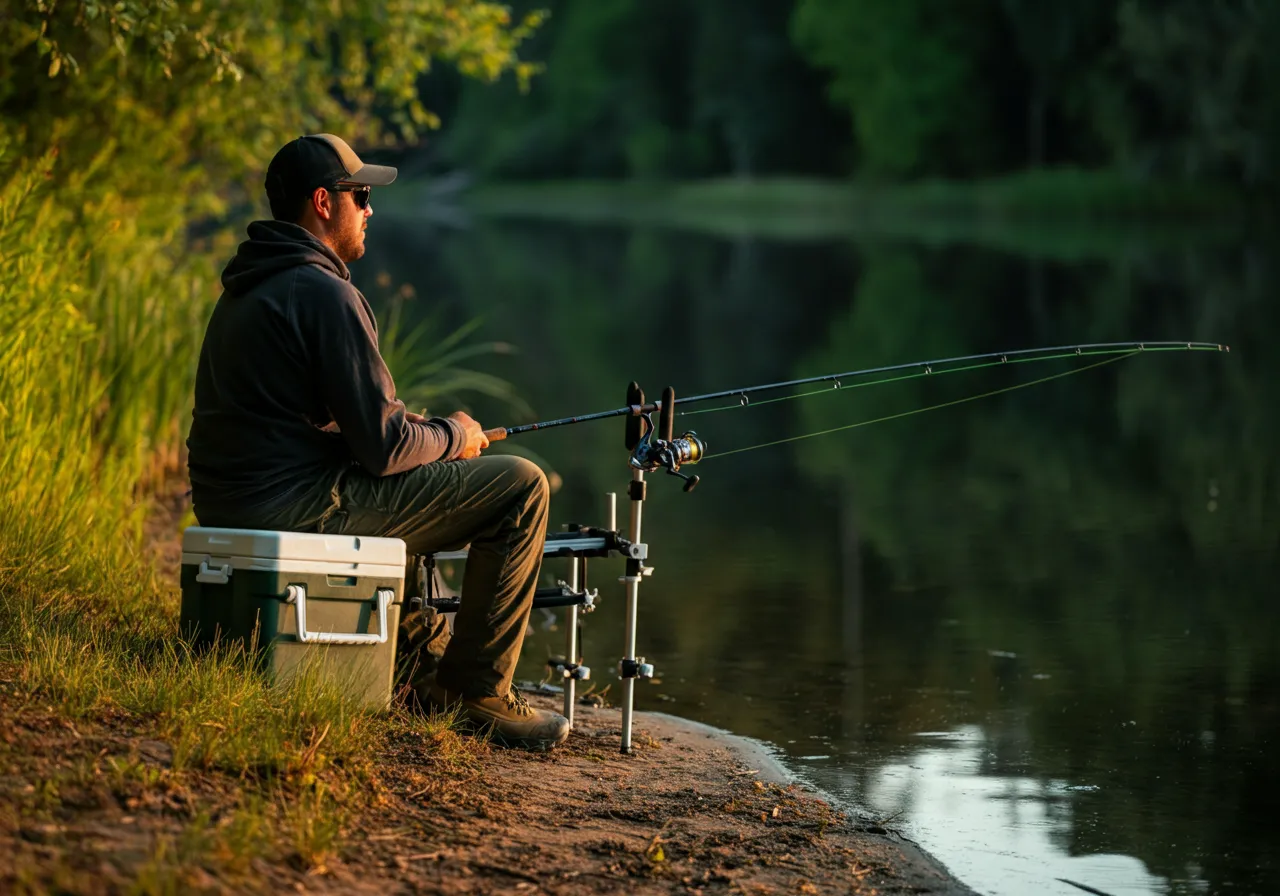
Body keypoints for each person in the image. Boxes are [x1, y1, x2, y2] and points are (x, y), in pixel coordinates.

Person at [186, 134, 569, 750]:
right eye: (359, 195)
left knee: (415, 481)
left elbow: (325, 428)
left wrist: (421, 439)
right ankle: (476, 691)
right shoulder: (326, 294)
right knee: (520, 485)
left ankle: (417, 671)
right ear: (322, 202)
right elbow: (387, 449)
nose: (370, 209)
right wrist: (455, 434)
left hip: (234, 504)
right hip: (291, 508)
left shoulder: (249, 288)